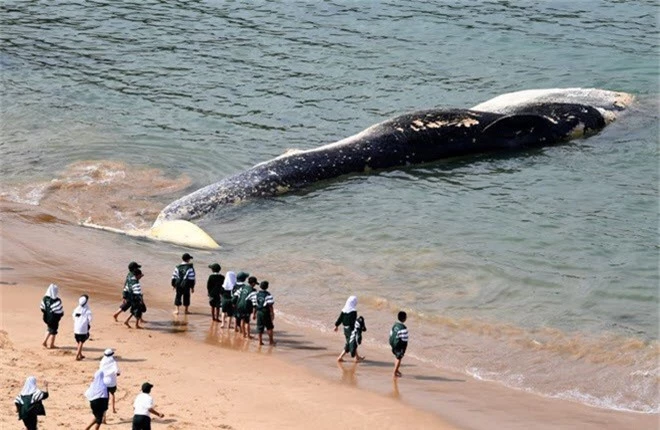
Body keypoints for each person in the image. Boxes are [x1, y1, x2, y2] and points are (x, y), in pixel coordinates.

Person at [333, 296, 364, 362]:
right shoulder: (353, 311)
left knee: (352, 342)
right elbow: (353, 322)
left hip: (345, 329)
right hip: (351, 329)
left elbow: (340, 319)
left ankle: (357, 357)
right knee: (350, 343)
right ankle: (340, 357)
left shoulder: (344, 310)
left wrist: (336, 326)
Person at [40, 283, 64, 349]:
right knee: (54, 331)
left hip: (46, 317)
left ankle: (44, 342)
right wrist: (61, 315)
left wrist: (47, 313)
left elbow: (42, 308)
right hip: (54, 319)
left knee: (49, 329)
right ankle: (51, 345)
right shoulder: (56, 300)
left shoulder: (45, 298)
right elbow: (59, 311)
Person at [99, 348, 120, 422]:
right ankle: (113, 408)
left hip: (104, 382)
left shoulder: (102, 362)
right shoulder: (113, 362)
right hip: (112, 382)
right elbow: (117, 372)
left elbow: (100, 371)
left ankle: (104, 417)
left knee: (105, 400)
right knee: (112, 394)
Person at [253, 280, 275, 345]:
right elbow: (270, 305)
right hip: (265, 312)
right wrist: (272, 313)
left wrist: (254, 314)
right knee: (269, 327)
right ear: (267, 287)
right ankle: (271, 341)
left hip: (259, 312)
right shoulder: (268, 295)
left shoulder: (257, 294)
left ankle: (260, 341)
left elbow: (255, 305)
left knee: (260, 327)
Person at [389, 311, 409, 378]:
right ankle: (394, 372)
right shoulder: (403, 328)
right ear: (404, 319)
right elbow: (404, 340)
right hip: (398, 345)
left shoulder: (395, 325)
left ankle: (396, 370)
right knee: (399, 358)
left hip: (393, 343)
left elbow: (391, 334)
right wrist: (404, 349)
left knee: (397, 357)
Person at [73, 295, 93, 361]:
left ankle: (80, 354)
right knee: (81, 341)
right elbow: (90, 319)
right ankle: (77, 355)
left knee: (78, 341)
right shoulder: (87, 310)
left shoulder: (76, 309)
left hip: (76, 328)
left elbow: (73, 316)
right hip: (83, 328)